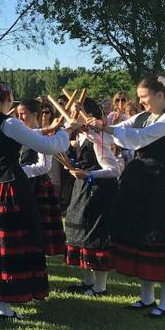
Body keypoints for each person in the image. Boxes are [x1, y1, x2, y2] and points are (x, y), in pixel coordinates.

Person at [89, 76, 165, 318]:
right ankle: (147, 297)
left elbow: (141, 137)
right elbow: (125, 130)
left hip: (160, 182)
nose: (141, 102)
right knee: (141, 236)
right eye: (139, 98)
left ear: (160, 95)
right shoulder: (144, 116)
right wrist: (98, 124)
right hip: (140, 179)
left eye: (144, 97)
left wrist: (107, 128)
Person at [0, 82, 77, 320]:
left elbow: (26, 136)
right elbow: (48, 147)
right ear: (10, 98)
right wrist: (66, 132)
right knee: (8, 247)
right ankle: (4, 306)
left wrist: (49, 129)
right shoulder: (9, 122)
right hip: (7, 188)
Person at [62, 98, 122, 297]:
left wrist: (89, 174)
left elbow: (113, 170)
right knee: (78, 230)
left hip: (100, 190)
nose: (70, 117)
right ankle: (88, 281)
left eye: (74, 112)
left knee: (96, 236)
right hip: (83, 188)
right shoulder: (80, 136)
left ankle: (100, 286)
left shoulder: (98, 136)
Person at [16, 99, 67, 258]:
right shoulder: (19, 134)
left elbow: (44, 165)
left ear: (35, 114)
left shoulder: (42, 135)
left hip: (36, 185)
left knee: (37, 225)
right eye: (18, 114)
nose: (20, 118)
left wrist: (19, 172)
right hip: (20, 182)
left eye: (23, 114)